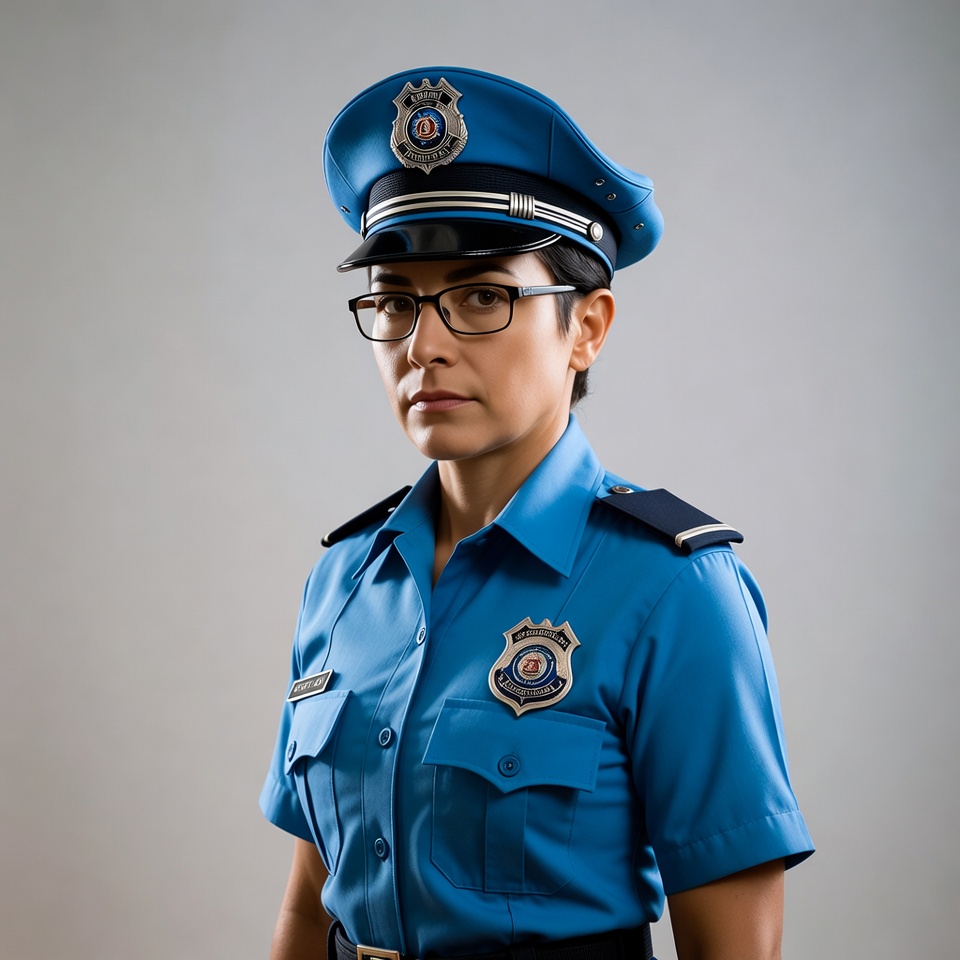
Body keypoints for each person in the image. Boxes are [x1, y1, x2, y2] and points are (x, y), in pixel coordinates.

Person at [260, 66, 813, 960]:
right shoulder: (347, 581)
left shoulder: (672, 589)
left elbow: (736, 945)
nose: (423, 345)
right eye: (395, 301)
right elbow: (305, 907)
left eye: (481, 295)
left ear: (587, 327)